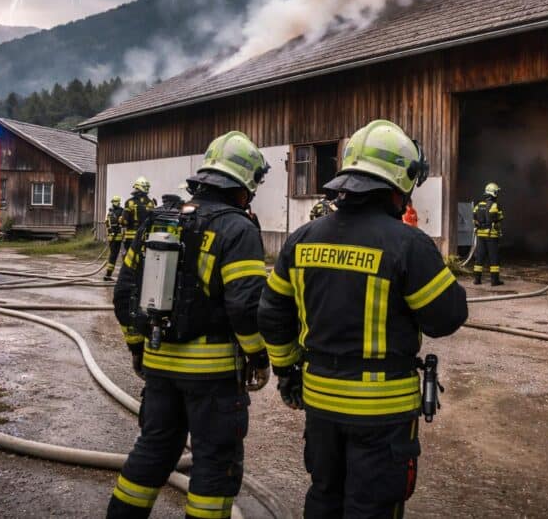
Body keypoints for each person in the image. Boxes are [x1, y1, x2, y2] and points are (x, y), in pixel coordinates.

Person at [258, 119, 468, 518]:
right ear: (398, 183)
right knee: (370, 509)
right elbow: (447, 317)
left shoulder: (301, 239)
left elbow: (270, 314)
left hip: (319, 403)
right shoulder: (408, 244)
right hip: (382, 414)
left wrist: (286, 371)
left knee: (324, 498)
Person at [107, 131, 272, 519]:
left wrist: (137, 348)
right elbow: (245, 307)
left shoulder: (158, 222)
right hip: (213, 377)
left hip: (160, 365)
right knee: (215, 465)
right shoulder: (238, 229)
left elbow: (124, 296)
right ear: (244, 185)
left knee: (152, 451)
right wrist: (258, 357)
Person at [472, 182, 504, 286]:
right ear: (493, 193)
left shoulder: (479, 205)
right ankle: (494, 281)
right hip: (492, 236)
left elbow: (474, 218)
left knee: (479, 258)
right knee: (494, 258)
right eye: (496, 192)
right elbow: (500, 218)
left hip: (480, 236)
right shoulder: (495, 205)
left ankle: (477, 280)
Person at [122, 176, 156, 256]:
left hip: (130, 237)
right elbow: (152, 220)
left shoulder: (130, 202)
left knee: (129, 258)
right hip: (144, 236)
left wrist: (121, 220)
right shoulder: (150, 203)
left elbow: (124, 221)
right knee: (142, 257)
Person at [103, 196, 125, 281]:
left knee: (112, 256)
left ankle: (108, 274)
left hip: (111, 238)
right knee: (122, 256)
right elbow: (123, 222)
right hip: (119, 238)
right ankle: (114, 275)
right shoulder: (121, 211)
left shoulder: (110, 212)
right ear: (119, 202)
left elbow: (107, 224)